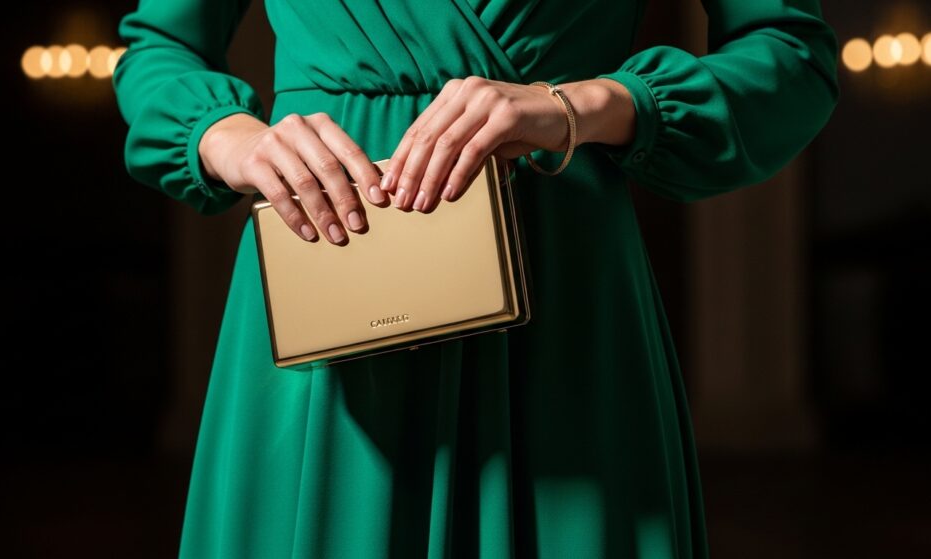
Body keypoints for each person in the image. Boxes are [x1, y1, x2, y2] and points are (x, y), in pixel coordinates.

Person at [112, 0, 838, 556]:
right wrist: (226, 138)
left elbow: (791, 56)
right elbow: (160, 48)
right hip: (326, 282)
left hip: (560, 289)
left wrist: (583, 104)